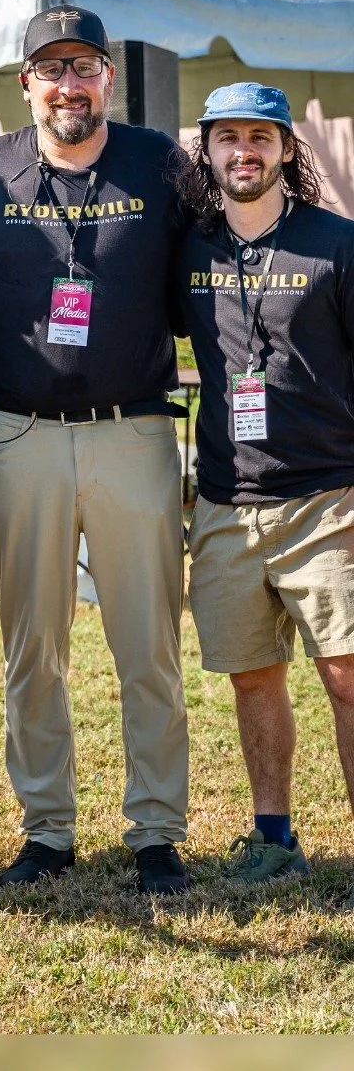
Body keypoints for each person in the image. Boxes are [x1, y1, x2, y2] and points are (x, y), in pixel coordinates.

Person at [0, 5, 192, 895]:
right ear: (26, 84)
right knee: (33, 648)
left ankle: (156, 832)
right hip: (21, 438)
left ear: (108, 78)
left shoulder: (161, 165)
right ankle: (45, 830)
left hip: (136, 431)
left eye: (83, 65)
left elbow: (223, 252)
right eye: (51, 69)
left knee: (149, 645)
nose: (69, 85)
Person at [178, 82, 354, 900]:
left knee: (347, 674)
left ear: (287, 148)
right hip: (224, 499)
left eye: (260, 136)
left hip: (329, 495)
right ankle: (273, 835)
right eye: (226, 138)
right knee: (253, 674)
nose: (242, 151)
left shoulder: (336, 244)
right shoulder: (191, 250)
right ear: (207, 153)